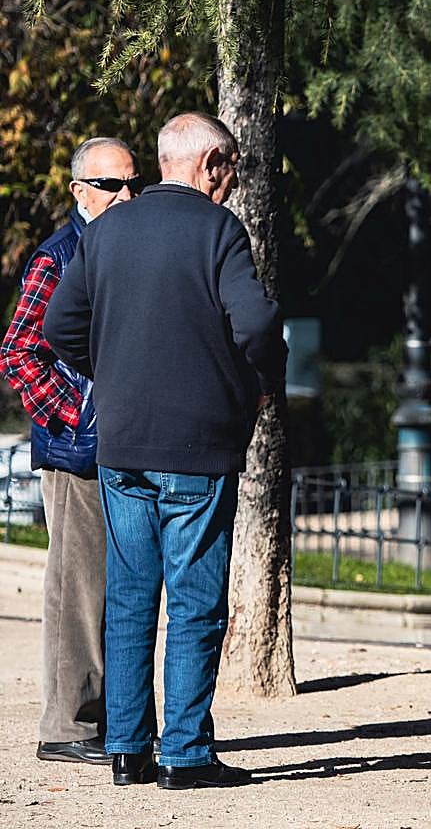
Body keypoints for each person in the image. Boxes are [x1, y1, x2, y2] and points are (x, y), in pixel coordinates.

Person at [44, 112, 286, 790]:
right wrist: (259, 383)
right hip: (198, 445)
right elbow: (259, 321)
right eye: (232, 165)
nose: (235, 179)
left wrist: (112, 370)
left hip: (120, 443)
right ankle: (185, 753)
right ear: (210, 162)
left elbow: (60, 324)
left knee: (127, 597)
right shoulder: (219, 230)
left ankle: (125, 749)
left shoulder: (108, 229)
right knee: (195, 600)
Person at [0, 137, 141, 766]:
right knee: (78, 589)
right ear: (80, 191)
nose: (126, 195)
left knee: (108, 588)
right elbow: (18, 352)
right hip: (76, 452)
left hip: (118, 444)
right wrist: (81, 417)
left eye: (132, 182)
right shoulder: (60, 256)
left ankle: (108, 722)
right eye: (111, 185)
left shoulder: (126, 243)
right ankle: (70, 728)